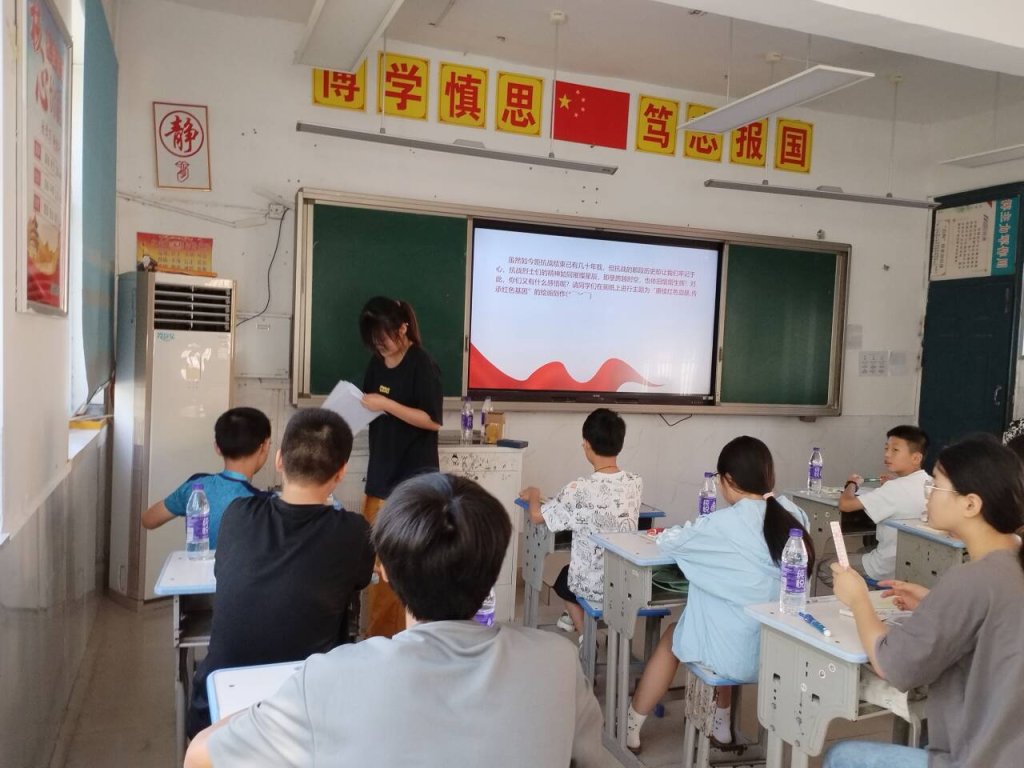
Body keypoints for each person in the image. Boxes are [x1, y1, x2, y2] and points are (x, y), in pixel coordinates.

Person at [184, 472, 611, 768]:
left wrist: (261, 713)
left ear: (383, 570)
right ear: (496, 566)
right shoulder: (558, 663)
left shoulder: (330, 679)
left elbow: (201, 756)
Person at [826, 435, 1024, 768]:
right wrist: (934, 602)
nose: (927, 495)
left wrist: (858, 599)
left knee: (840, 756)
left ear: (971, 505)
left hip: (978, 758)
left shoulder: (972, 580)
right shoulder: (1010, 563)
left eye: (935, 486)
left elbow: (893, 665)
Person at [185, 408, 375, 737]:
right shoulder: (353, 532)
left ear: (278, 460)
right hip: (305, 716)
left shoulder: (237, 514)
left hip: (217, 714)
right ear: (342, 472)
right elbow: (360, 579)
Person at [626, 436, 814, 752]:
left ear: (727, 480)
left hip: (734, 655)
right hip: (781, 654)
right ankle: (721, 724)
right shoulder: (794, 514)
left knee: (678, 634)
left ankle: (631, 724)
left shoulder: (720, 523)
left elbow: (670, 542)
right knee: (720, 616)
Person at [359, 296, 443, 638]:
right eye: (374, 341)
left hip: (414, 481)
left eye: (384, 338)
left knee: (406, 567)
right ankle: (379, 640)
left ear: (403, 328)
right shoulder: (375, 364)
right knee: (377, 570)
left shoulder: (422, 364)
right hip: (381, 475)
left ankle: (403, 641)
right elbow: (370, 405)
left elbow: (432, 420)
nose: (380, 346)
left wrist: (386, 404)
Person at [520, 407, 642, 635]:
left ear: (586, 444)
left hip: (591, 586)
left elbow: (537, 517)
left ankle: (586, 636)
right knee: (575, 574)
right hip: (624, 582)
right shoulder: (635, 483)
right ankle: (573, 620)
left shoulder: (578, 489)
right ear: (620, 444)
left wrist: (534, 493)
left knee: (563, 580)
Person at [141, 406, 271, 548]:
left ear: (217, 448)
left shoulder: (196, 487)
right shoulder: (267, 504)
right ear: (264, 446)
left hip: (196, 563)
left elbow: (148, 520)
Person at [835, 425, 930, 581]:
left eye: (895, 450)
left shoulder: (894, 488)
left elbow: (845, 505)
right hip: (917, 564)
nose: (887, 454)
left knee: (827, 566)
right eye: (886, 448)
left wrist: (851, 484)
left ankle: (862, 593)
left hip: (886, 566)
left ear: (916, 458)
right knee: (862, 550)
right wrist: (893, 484)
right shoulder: (930, 483)